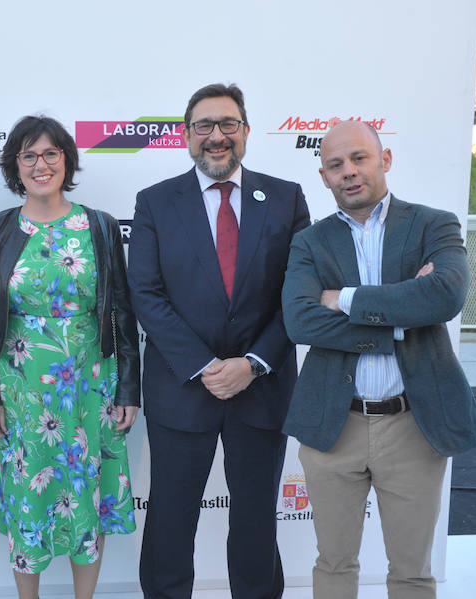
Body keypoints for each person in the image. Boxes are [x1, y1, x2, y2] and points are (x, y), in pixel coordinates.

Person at [281, 120, 476, 598]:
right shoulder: (309, 242)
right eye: (336, 165)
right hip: (334, 424)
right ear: (324, 176)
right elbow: (301, 323)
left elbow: (444, 297)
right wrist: (400, 315)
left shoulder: (434, 224)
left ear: (384, 160)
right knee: (333, 563)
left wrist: (345, 298)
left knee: (413, 571)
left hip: (413, 424)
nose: (349, 172)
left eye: (359, 158)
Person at [128, 83, 310, 599]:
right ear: (187, 136)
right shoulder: (155, 203)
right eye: (204, 125)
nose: (216, 136)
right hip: (182, 389)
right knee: (169, 520)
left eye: (228, 124)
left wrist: (252, 363)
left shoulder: (286, 198)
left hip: (262, 387)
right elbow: (145, 292)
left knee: (255, 522)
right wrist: (206, 364)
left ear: (246, 132)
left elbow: (297, 295)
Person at [0, 115, 140, 599]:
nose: (41, 164)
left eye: (50, 154)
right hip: (19, 389)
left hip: (90, 386)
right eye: (28, 155)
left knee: (90, 490)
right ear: (14, 166)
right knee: (27, 494)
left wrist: (129, 389)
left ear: (66, 159)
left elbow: (122, 313)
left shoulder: (100, 226)